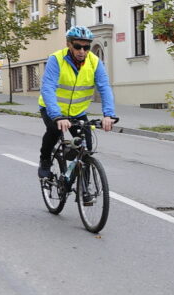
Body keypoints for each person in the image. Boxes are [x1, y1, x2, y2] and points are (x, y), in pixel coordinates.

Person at [37, 26, 116, 181]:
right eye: (78, 46)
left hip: (77, 112)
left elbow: (104, 87)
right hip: (53, 109)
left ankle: (84, 186)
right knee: (54, 131)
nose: (82, 51)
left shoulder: (94, 62)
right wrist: (57, 116)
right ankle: (45, 161)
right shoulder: (56, 59)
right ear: (69, 44)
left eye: (86, 47)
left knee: (86, 148)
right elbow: (48, 87)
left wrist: (109, 114)